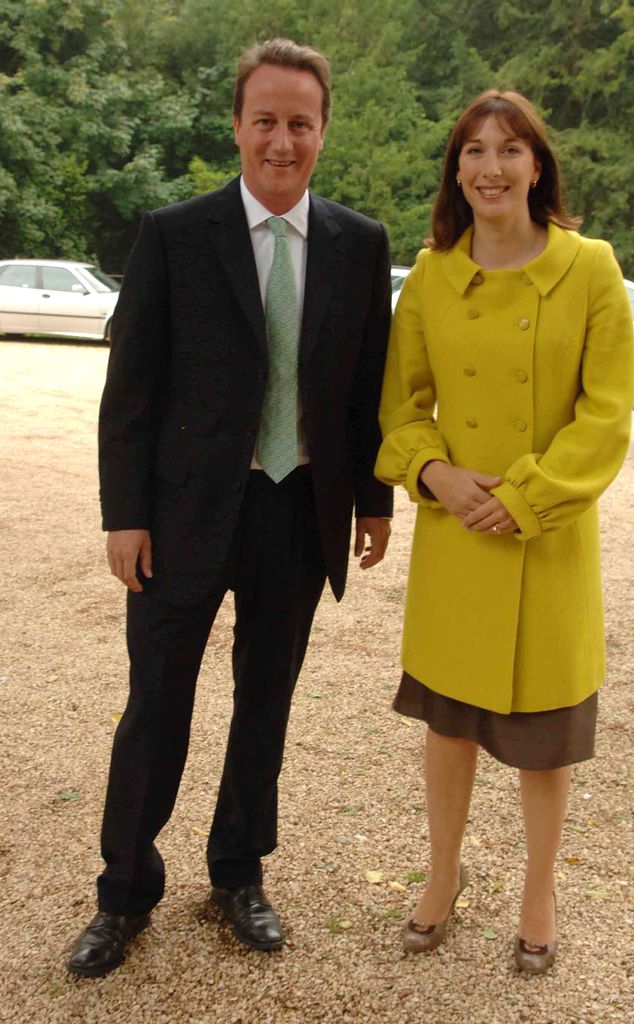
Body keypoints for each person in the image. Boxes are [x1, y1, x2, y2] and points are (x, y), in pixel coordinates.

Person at [67, 37, 393, 978]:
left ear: (323, 130)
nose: (281, 140)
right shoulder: (175, 233)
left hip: (297, 510)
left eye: (300, 122)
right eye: (266, 120)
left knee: (266, 705)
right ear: (238, 126)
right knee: (156, 706)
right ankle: (124, 893)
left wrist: (370, 498)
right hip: (181, 517)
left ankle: (239, 874)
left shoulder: (359, 244)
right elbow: (130, 389)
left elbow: (364, 385)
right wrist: (123, 514)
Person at [375, 89, 634, 974]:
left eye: (510, 150)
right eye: (475, 150)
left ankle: (540, 892)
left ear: (537, 166)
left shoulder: (592, 268)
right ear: (456, 168)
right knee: (446, 729)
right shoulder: (430, 276)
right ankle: (441, 878)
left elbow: (605, 418)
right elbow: (401, 409)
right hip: (455, 536)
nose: (491, 166)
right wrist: (437, 473)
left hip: (547, 543)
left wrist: (523, 498)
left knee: (541, 741)